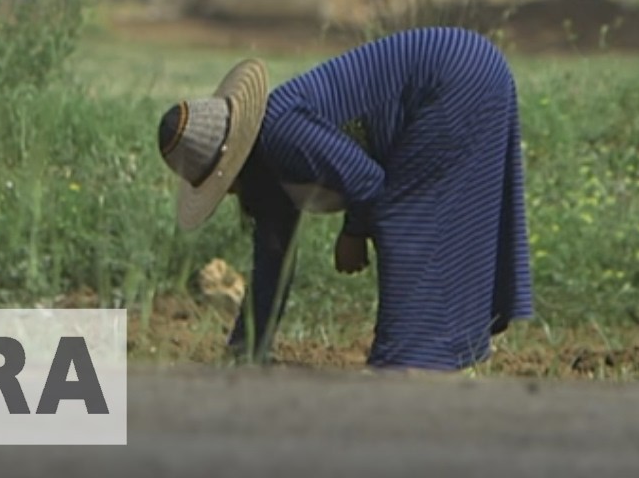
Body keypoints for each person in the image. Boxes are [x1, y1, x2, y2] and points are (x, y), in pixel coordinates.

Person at [156, 26, 533, 372]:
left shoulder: (281, 129)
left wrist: (352, 234)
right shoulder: (270, 167)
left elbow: (367, 180)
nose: (232, 194)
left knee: (407, 225)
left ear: (235, 166)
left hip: (453, 77)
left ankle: (408, 366)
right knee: (419, 226)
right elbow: (275, 260)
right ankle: (425, 359)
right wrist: (246, 350)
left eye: (225, 184)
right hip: (471, 68)